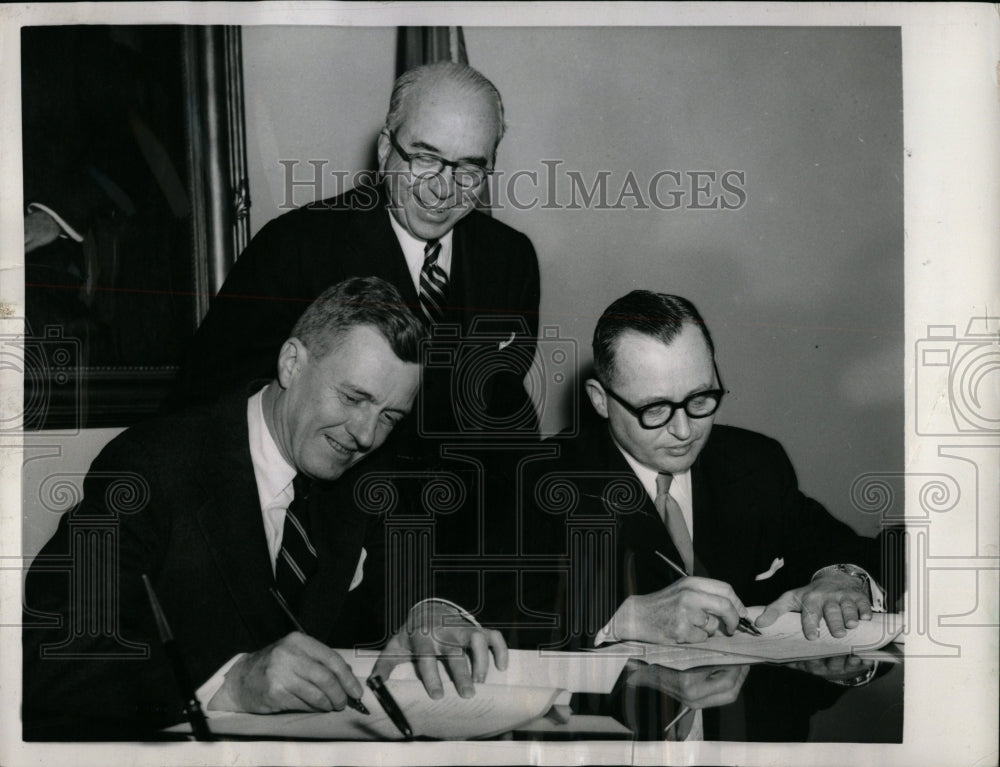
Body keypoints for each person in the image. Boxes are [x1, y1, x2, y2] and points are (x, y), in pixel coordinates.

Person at [22, 277, 507, 740]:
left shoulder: (369, 476)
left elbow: (405, 583)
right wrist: (227, 682)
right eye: (354, 397)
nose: (365, 435)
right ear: (292, 364)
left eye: (390, 417)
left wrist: (428, 611)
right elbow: (52, 651)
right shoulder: (150, 467)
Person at [168, 60, 540, 439]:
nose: (443, 188)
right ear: (384, 150)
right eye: (425, 158)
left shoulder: (512, 259)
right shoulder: (295, 246)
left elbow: (504, 408)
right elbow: (204, 404)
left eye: (469, 169)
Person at [514, 290, 885, 651]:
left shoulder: (753, 461)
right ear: (600, 400)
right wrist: (625, 617)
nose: (684, 430)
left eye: (700, 399)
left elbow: (836, 544)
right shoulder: (537, 479)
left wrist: (842, 576)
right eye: (655, 409)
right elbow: (485, 604)